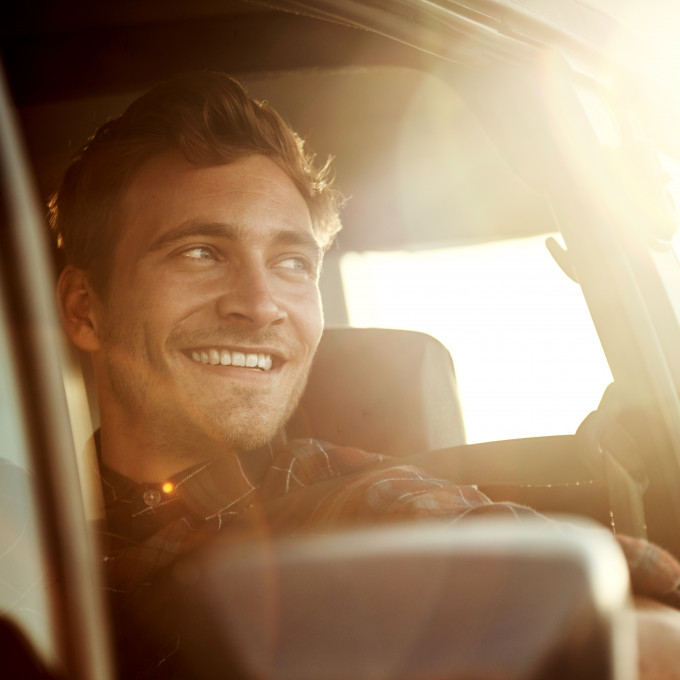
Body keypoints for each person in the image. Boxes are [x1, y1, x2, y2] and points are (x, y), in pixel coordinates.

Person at [51, 71, 680, 678]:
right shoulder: (27, 539)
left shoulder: (365, 510)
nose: (261, 302)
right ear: (85, 309)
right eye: (200, 253)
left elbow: (644, 627)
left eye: (293, 262)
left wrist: (628, 631)